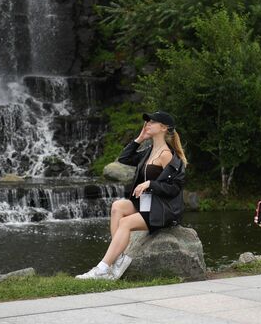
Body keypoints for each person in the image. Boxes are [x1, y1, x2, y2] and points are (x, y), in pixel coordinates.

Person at [76, 110, 187, 280]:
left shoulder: (167, 155)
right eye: (147, 121)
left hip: (163, 210)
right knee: (117, 207)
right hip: (147, 204)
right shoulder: (149, 151)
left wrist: (151, 184)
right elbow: (124, 159)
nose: (147, 124)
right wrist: (139, 139)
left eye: (152, 122)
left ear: (164, 128)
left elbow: (176, 188)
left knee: (125, 222)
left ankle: (102, 268)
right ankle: (118, 258)